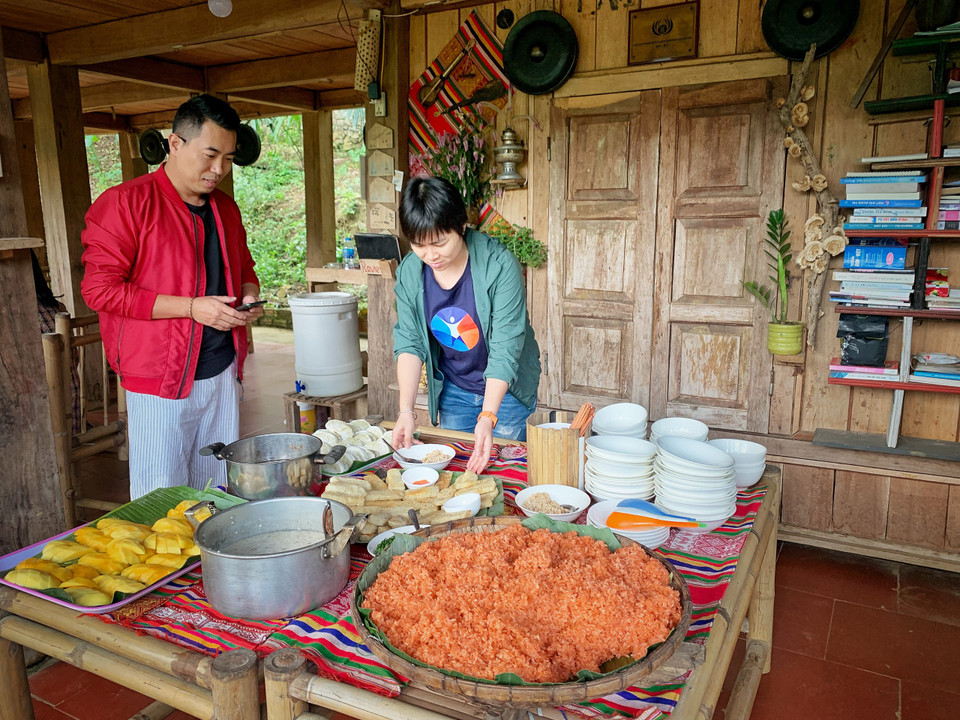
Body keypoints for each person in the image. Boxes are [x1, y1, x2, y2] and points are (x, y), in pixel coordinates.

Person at [81, 94, 263, 499]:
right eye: (210, 155)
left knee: (216, 491)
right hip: (159, 376)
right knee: (161, 498)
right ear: (175, 144)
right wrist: (192, 308)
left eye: (228, 158)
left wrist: (248, 294)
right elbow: (100, 290)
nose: (219, 170)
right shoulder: (125, 204)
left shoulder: (225, 209)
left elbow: (244, 268)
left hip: (222, 368)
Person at [392, 176, 541, 473]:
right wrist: (405, 410)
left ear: (461, 226)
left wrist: (488, 416)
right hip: (454, 389)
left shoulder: (499, 266)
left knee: (504, 471)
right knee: (458, 472)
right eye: (419, 245)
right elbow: (410, 342)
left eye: (439, 243)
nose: (430, 255)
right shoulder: (410, 271)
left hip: (507, 393)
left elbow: (505, 348)